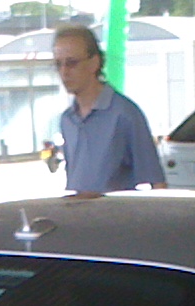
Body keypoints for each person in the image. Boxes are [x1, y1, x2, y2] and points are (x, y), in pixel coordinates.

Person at [53, 25, 166, 197]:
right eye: (58, 65)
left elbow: (157, 183)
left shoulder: (125, 114)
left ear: (94, 63)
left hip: (116, 213)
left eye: (72, 63)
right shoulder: (67, 120)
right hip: (78, 212)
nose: (64, 72)